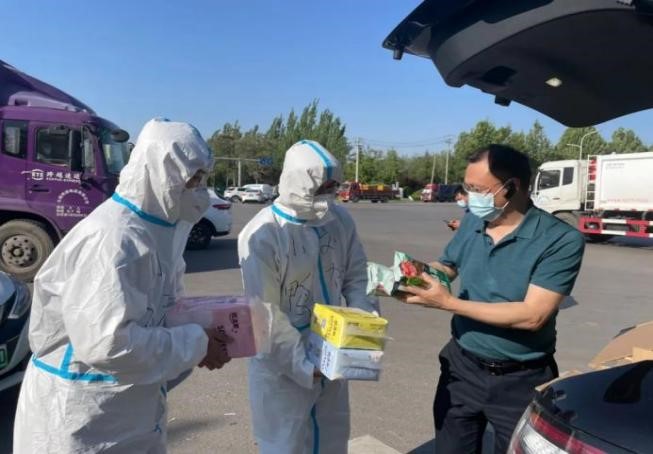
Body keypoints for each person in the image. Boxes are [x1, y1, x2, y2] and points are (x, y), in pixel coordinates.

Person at [14, 119, 231, 453]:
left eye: (203, 178)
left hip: (129, 408)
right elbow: (108, 344)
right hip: (81, 415)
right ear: (160, 173)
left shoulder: (161, 232)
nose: (200, 190)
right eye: (193, 178)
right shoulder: (113, 238)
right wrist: (196, 343)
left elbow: (157, 311)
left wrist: (204, 333)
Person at [402, 144, 585, 454]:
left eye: (477, 190)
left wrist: (448, 303)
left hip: (521, 380)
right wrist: (416, 274)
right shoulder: (473, 220)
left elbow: (533, 315)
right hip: (461, 368)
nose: (469, 197)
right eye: (467, 188)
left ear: (512, 187)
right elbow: (448, 265)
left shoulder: (560, 239)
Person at [238, 140, 378, 454]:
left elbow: (358, 275)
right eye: (320, 188)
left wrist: (362, 325)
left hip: (331, 349)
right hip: (282, 365)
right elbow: (265, 313)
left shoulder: (339, 221)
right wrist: (302, 364)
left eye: (332, 187)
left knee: (331, 435)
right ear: (297, 183)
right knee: (285, 442)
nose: (327, 196)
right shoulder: (264, 233)